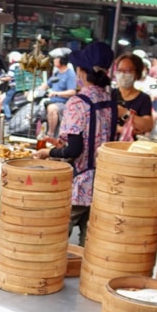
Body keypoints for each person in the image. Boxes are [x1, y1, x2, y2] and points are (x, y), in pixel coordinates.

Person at [37, 41, 116, 245]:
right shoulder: (110, 101)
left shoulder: (77, 103)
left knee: (55, 240)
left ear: (81, 71)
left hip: (80, 185)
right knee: (90, 245)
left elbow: (74, 149)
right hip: (104, 183)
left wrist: (49, 152)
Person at [112, 53, 156, 135]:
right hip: (108, 146)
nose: (122, 74)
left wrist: (125, 113)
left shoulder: (143, 99)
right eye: (120, 70)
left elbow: (147, 126)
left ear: (137, 73)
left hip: (132, 146)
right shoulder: (110, 95)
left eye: (127, 71)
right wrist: (123, 129)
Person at [43, 47, 78, 136]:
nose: (54, 60)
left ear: (62, 60)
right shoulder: (56, 73)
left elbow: (72, 91)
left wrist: (57, 93)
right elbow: (47, 84)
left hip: (63, 103)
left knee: (52, 109)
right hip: (51, 100)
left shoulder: (70, 74)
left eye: (56, 58)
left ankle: (50, 133)